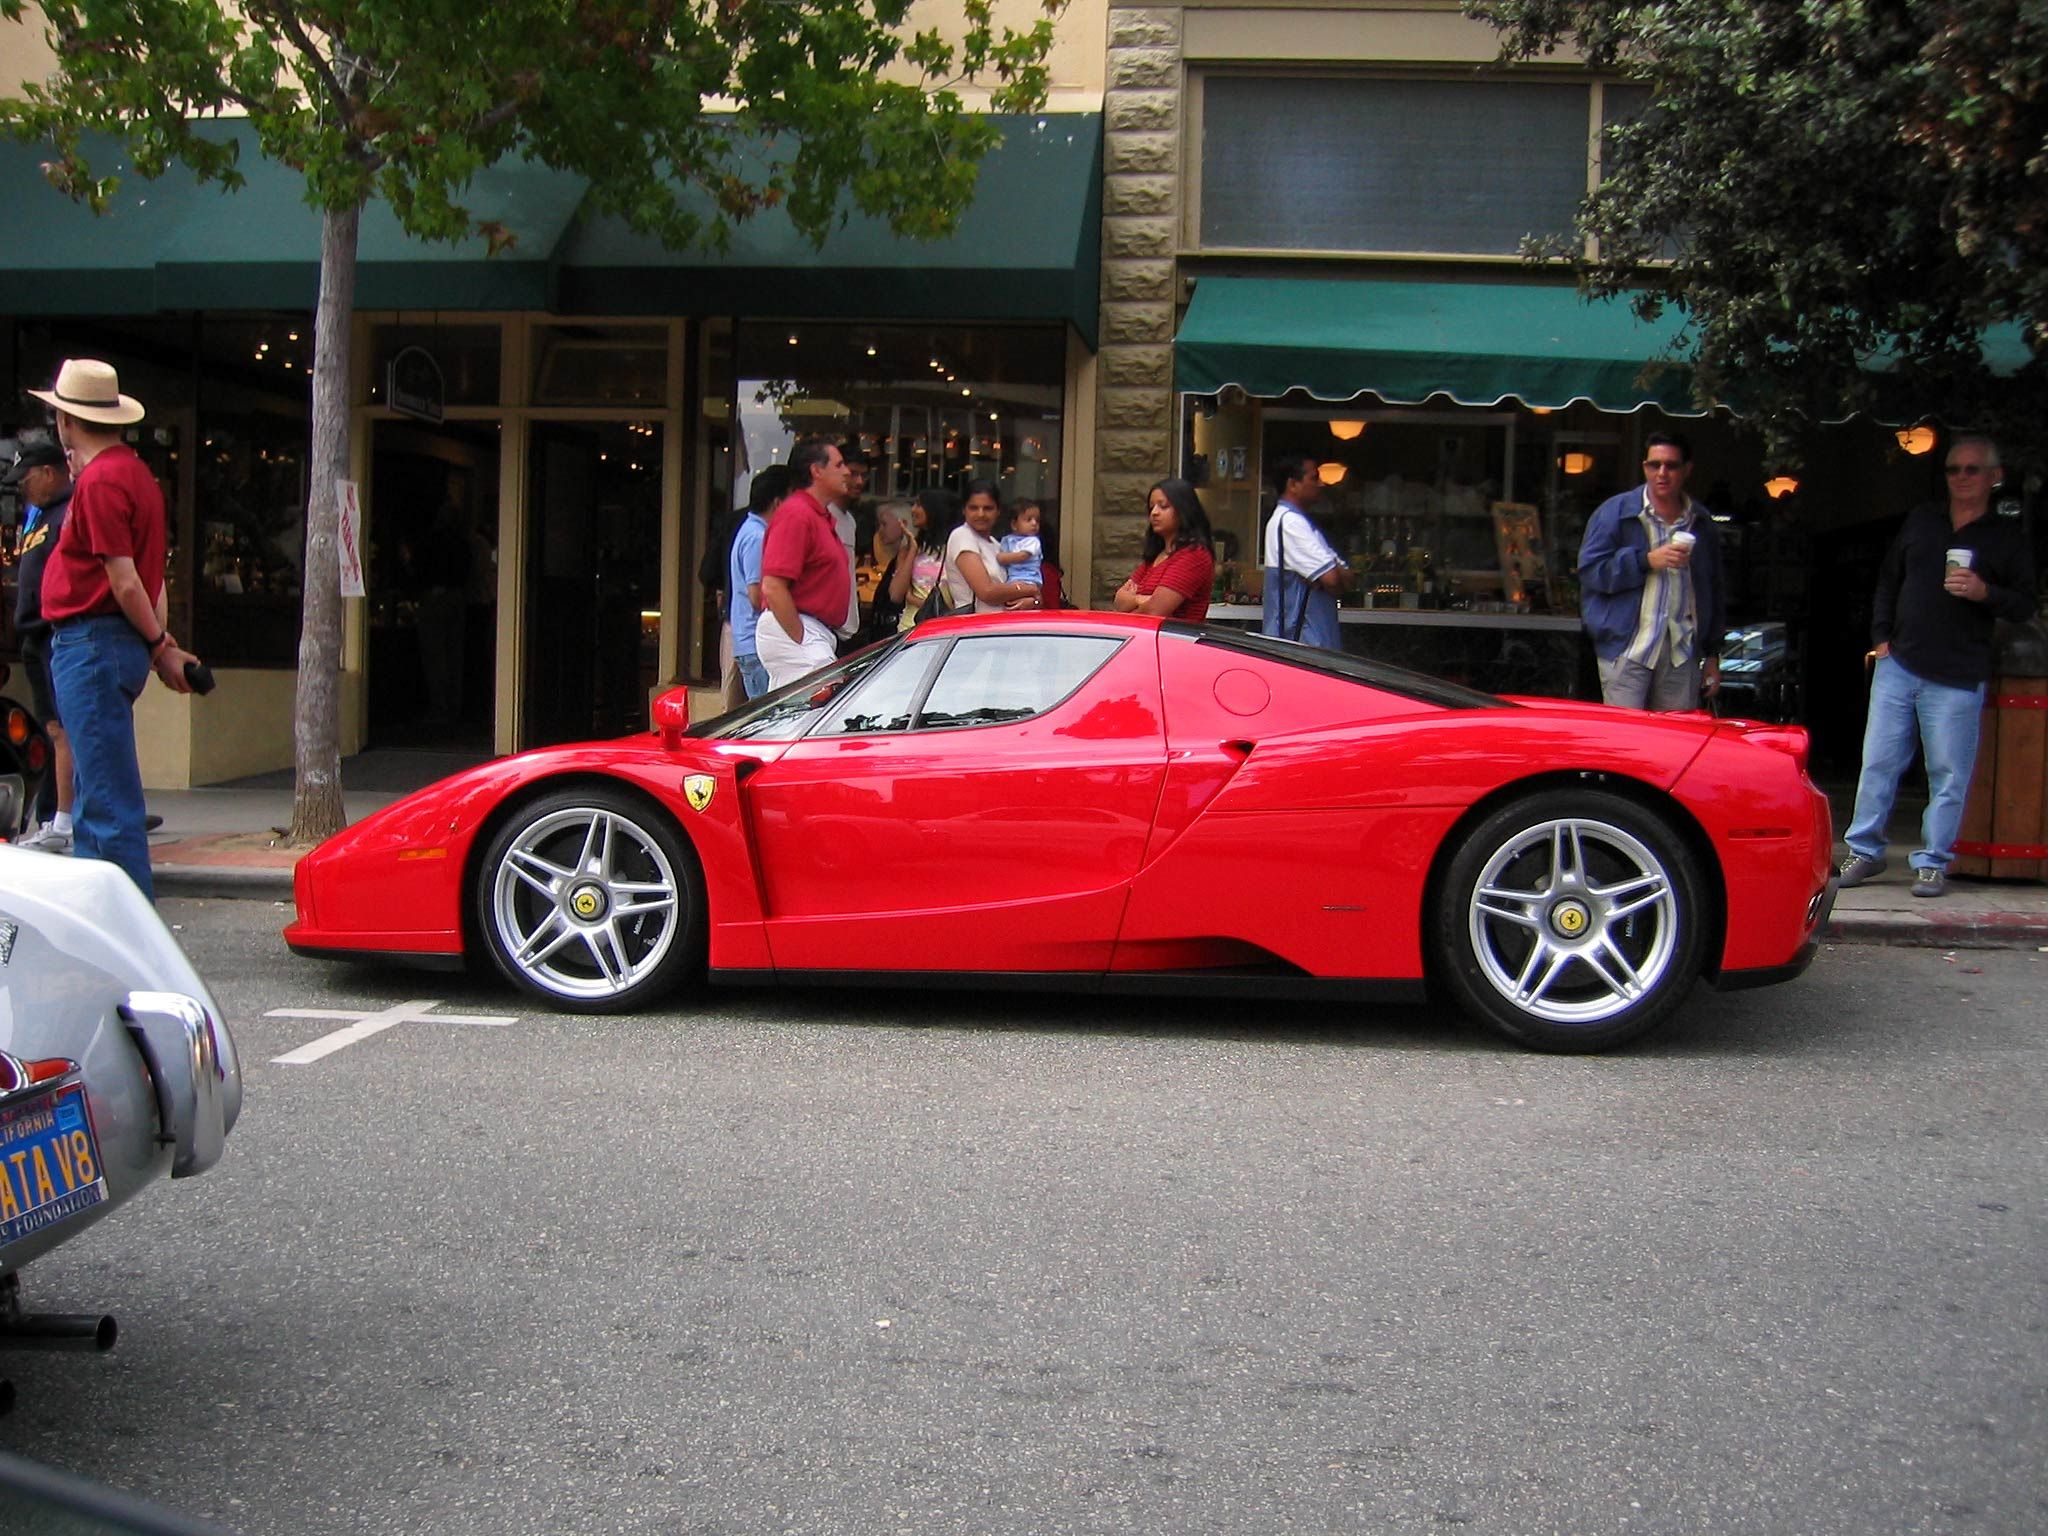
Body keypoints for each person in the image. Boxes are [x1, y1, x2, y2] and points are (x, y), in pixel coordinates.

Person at [1837, 434, 2037, 898]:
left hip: (1959, 671)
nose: (1961, 478)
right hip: (1900, 661)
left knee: (1948, 773)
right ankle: (1863, 852)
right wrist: (1881, 637)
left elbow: (2025, 604)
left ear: (1994, 477)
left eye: (1971, 469)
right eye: (1953, 469)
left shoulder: (2005, 538)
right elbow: (1889, 577)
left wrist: (1985, 592)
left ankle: (1933, 862)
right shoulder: (1923, 519)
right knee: (1878, 763)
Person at [33, 358, 198, 899]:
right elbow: (152, 584)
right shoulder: (135, 475)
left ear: (66, 421)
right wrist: (159, 644)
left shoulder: (101, 480)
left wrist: (156, 644)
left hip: (92, 644)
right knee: (97, 796)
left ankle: (130, 938)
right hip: (109, 643)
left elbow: (126, 581)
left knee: (105, 805)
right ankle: (104, 933)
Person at [1576, 431, 1725, 710]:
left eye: (1671, 465)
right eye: (1654, 465)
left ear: (1687, 469)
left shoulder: (1701, 522)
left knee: (1673, 745)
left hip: (1681, 651)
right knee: (1627, 742)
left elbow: (1714, 590)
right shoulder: (1615, 512)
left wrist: (1713, 656)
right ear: (1644, 467)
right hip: (1627, 647)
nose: (1662, 473)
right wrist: (1645, 561)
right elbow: (1591, 571)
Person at [4, 438, 76, 850]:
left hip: (57, 633)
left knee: (65, 730)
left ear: (49, 473)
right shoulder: (39, 514)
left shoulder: (68, 510)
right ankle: (51, 815)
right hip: (34, 634)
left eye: (27, 478)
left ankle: (65, 819)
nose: (22, 487)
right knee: (51, 729)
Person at [757, 438, 856, 689]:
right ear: (816, 470)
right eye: (839, 464)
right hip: (799, 625)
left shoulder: (816, 515)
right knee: (823, 706)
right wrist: (800, 638)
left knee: (798, 719)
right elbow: (773, 586)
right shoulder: (797, 514)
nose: (847, 471)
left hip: (812, 628)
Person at [1261, 453, 1349, 648]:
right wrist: (1332, 576)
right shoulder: (1290, 523)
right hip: (1302, 647)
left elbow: (1348, 580)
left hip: (1312, 644)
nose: (1321, 484)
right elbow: (1334, 581)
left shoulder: (1302, 523)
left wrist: (1331, 577)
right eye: (1314, 478)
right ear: (1293, 484)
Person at [1114, 477, 1216, 622]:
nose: (1154, 513)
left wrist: (1135, 604)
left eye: (1163, 506)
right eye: (1151, 507)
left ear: (1183, 510)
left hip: (1172, 642)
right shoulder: (1156, 556)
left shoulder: (1194, 555)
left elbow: (1154, 611)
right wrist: (1138, 599)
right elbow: (1119, 601)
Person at [728, 464, 790, 700]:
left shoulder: (750, 529)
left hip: (751, 642)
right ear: (777, 503)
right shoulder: (757, 536)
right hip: (755, 643)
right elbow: (757, 596)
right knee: (766, 717)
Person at [943, 480, 1038, 614]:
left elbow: (1033, 594)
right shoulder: (961, 536)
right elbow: (987, 592)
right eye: (973, 508)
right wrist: (1029, 589)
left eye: (988, 508)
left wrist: (1032, 601)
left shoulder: (997, 545)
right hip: (974, 628)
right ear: (964, 510)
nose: (981, 514)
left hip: (1002, 628)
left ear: (998, 511)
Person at [887, 487, 959, 632]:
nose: (913, 510)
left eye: (919, 505)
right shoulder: (909, 549)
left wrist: (916, 600)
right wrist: (913, 548)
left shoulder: (955, 548)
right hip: (910, 629)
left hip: (944, 630)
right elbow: (896, 595)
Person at [996, 501, 1045, 602]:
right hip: (1012, 578)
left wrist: (1001, 558)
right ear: (1014, 524)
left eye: (1037, 520)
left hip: (1028, 578)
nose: (1034, 523)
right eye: (1028, 520)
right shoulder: (1007, 540)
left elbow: (1022, 556)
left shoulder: (1033, 541)